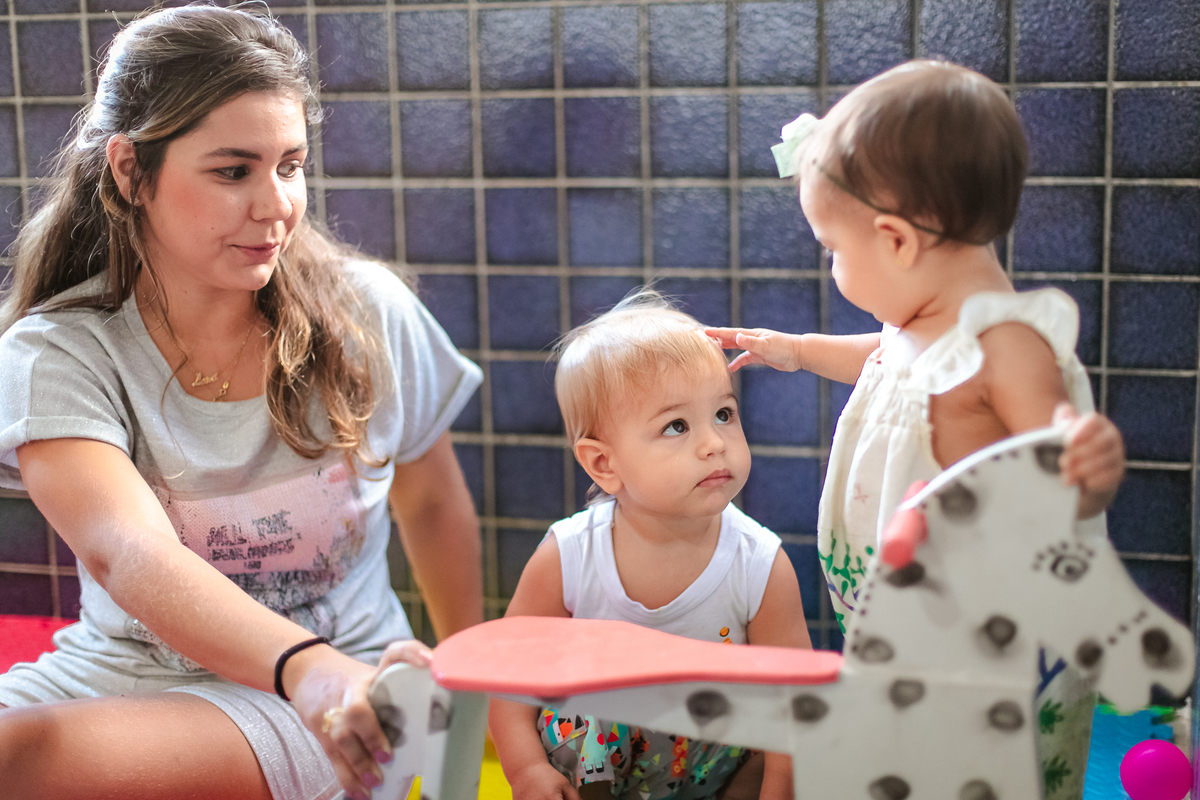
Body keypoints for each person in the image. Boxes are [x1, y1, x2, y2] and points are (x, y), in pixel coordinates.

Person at [0, 6, 482, 800]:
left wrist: (468, 701)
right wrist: (310, 671)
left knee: (19, 761)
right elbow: (130, 553)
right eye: (234, 171)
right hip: (125, 674)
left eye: (289, 165)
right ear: (129, 171)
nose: (275, 205)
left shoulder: (368, 313)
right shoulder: (59, 352)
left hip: (337, 702)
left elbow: (432, 502)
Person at [706, 61, 1125, 800]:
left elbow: (1061, 463)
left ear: (897, 241)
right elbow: (882, 362)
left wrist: (1085, 463)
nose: (833, 267)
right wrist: (798, 351)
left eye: (834, 252)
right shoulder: (919, 327)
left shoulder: (1008, 346)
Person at [490, 290, 811, 800]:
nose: (714, 443)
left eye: (723, 414)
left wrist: (779, 789)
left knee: (767, 747)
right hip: (601, 768)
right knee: (575, 720)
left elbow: (794, 700)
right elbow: (509, 676)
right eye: (676, 426)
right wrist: (526, 769)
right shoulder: (570, 554)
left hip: (715, 763)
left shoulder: (760, 564)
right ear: (603, 464)